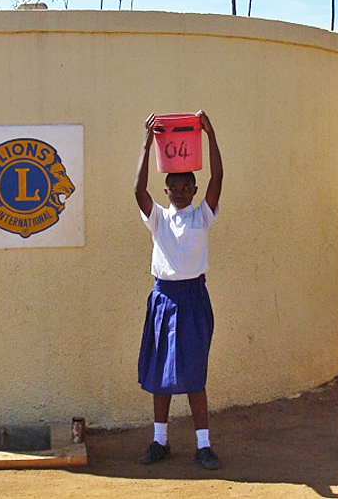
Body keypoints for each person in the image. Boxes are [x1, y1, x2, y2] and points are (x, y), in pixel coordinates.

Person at [133, 110, 223, 470]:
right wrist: (145, 141)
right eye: (175, 188)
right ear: (166, 191)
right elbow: (137, 189)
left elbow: (218, 174)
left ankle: (204, 445)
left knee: (194, 374)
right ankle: (160, 441)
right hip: (164, 299)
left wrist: (210, 133)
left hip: (194, 299)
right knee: (160, 374)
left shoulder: (203, 215)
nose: (182, 193)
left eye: (188, 188)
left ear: (195, 190)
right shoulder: (158, 218)